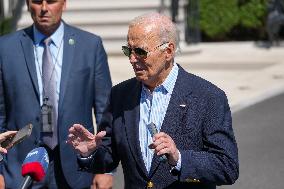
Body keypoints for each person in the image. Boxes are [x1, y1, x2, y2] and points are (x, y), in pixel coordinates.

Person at [67, 13, 239, 189]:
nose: (132, 59)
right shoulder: (120, 95)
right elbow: (109, 156)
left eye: (140, 51)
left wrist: (179, 158)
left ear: (168, 51)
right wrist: (89, 153)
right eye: (128, 50)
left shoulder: (208, 97)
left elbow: (227, 166)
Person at [0, 0, 113, 188]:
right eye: (37, 1)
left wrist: (104, 167)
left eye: (51, 1)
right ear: (28, 4)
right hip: (20, 169)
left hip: (76, 168)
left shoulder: (90, 46)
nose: (44, 8)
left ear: (64, 4)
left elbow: (105, 113)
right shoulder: (5, 48)